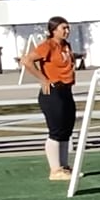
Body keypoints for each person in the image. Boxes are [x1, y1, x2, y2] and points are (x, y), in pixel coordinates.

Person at [22, 17, 77, 181]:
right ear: (53, 30)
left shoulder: (66, 45)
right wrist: (43, 78)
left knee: (66, 130)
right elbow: (27, 61)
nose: (67, 31)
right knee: (56, 130)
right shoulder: (48, 45)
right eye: (63, 28)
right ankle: (55, 169)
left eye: (67, 28)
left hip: (66, 90)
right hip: (53, 92)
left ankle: (64, 167)